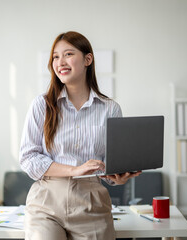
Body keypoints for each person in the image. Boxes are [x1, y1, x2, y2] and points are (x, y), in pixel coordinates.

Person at [19, 31, 141, 240]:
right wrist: (75, 169)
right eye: (55, 57)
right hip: (46, 204)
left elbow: (109, 163)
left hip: (91, 203)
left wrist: (118, 177)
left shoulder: (110, 109)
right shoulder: (42, 105)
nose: (60, 62)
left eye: (68, 54)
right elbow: (28, 158)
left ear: (87, 59)